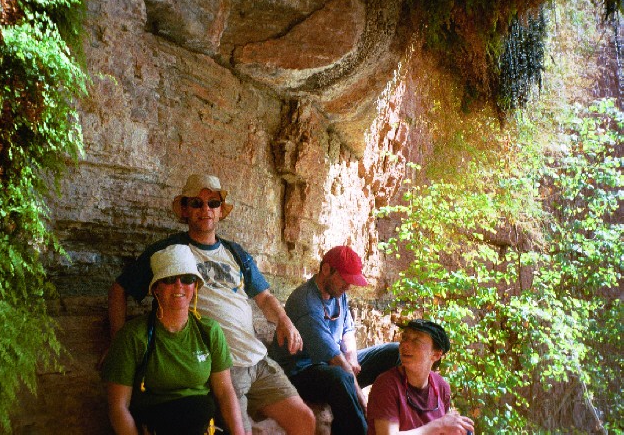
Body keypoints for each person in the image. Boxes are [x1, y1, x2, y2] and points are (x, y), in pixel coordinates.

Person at [107, 174, 315, 435]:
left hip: (257, 358)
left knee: (304, 420)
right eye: (196, 203)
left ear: (220, 211)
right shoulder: (170, 253)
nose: (205, 210)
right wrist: (116, 341)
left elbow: (264, 297)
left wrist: (285, 321)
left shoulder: (234, 252)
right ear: (184, 209)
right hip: (224, 365)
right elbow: (119, 289)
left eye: (213, 203)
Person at [102, 244, 245, 435]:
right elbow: (118, 407)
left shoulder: (209, 331)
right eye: (169, 279)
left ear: (195, 287)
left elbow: (225, 393)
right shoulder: (134, 336)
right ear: (156, 289)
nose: (179, 285)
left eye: (187, 279)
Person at [270, 245, 401, 435]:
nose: (348, 285)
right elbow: (335, 361)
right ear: (326, 269)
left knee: (394, 352)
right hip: (300, 372)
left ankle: (394, 416)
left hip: (332, 363)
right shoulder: (305, 303)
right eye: (345, 279)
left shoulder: (338, 293)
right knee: (340, 378)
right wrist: (362, 401)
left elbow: (347, 329)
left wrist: (353, 358)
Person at [366, 319, 475, 435]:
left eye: (416, 340)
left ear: (436, 354)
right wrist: (438, 426)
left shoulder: (441, 386)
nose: (405, 344)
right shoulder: (387, 385)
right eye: (404, 338)